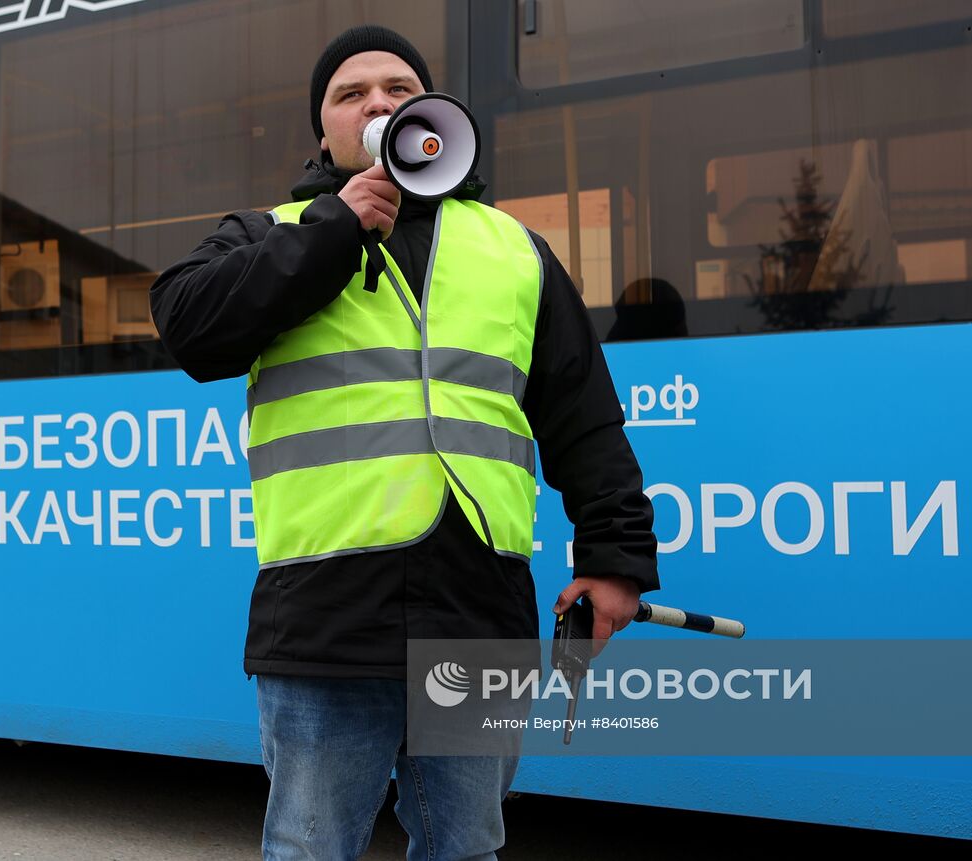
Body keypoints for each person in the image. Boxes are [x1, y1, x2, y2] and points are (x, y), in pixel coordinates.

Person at [149, 25, 659, 861]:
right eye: (351, 94)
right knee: (312, 849)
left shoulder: (513, 250)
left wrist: (615, 558)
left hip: (476, 610)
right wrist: (331, 231)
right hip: (326, 619)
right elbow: (187, 326)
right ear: (324, 132)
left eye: (398, 88)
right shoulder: (272, 231)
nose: (378, 102)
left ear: (429, 116)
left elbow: (585, 417)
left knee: (465, 849)